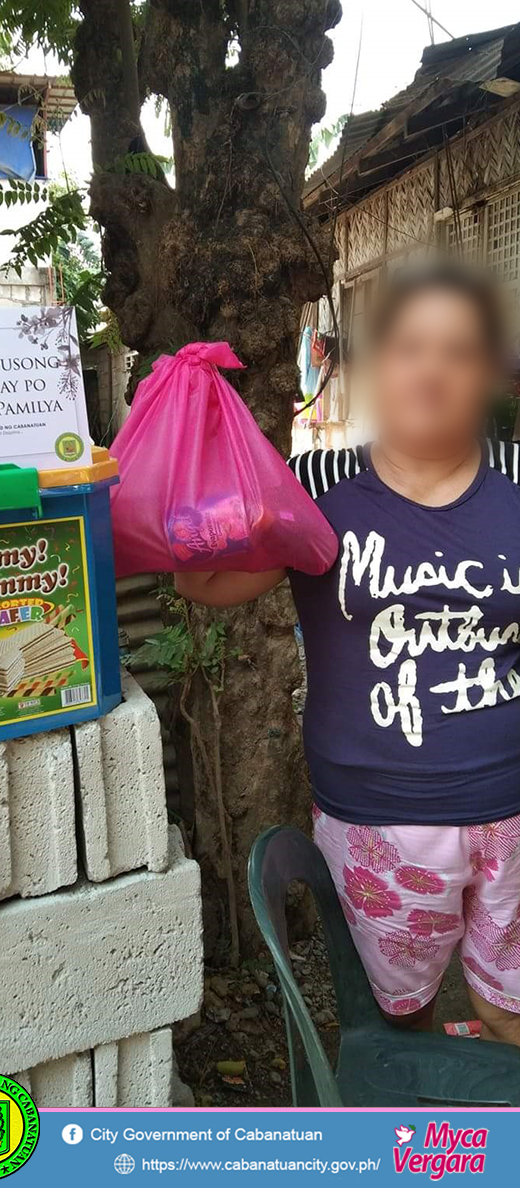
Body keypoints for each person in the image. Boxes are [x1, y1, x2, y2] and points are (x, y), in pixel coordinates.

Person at [175, 262, 520, 1045]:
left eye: (459, 350)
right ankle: (414, 1150)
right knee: (402, 1019)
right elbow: (209, 580)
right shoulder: (318, 486)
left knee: (508, 1012)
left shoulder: (516, 484)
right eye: (407, 348)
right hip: (379, 819)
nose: (431, 371)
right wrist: (193, 454)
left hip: (511, 810)